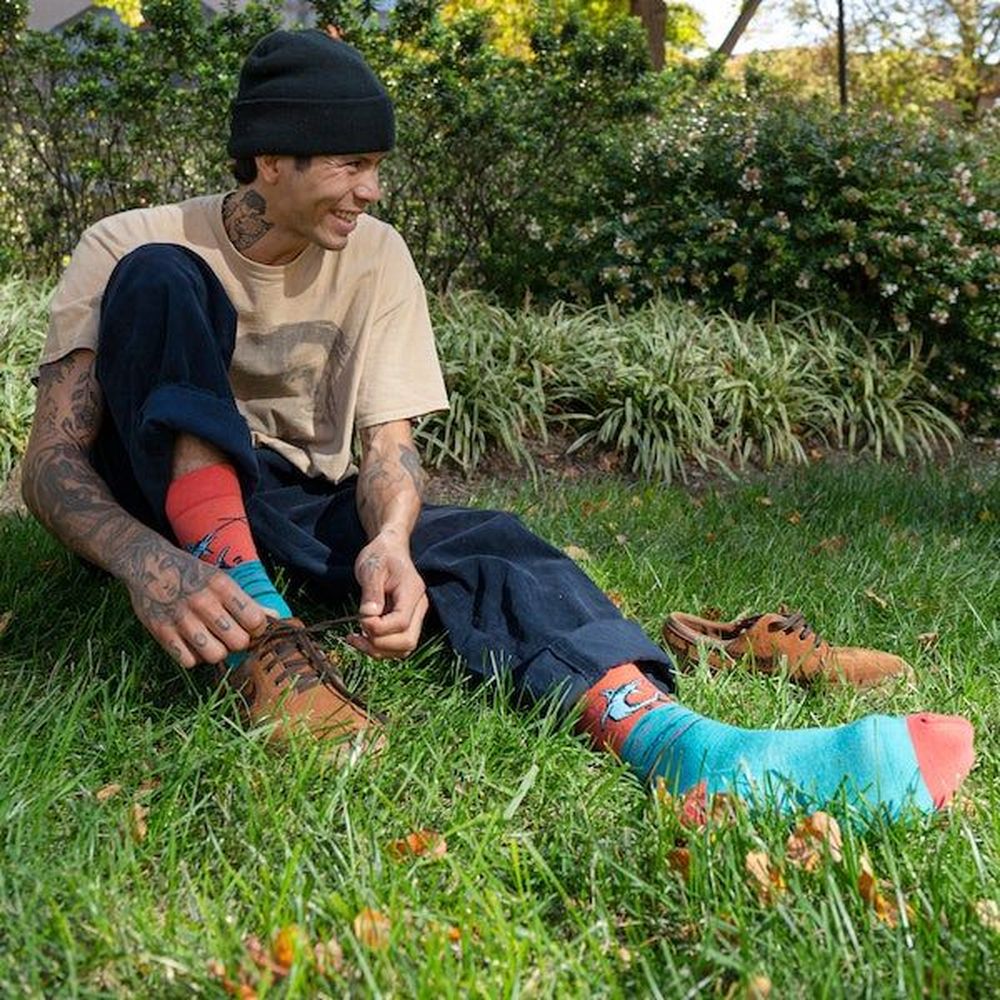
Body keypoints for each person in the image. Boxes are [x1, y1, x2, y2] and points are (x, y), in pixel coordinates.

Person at [22, 28, 975, 821]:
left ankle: (689, 750)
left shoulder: (378, 256)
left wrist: (391, 542)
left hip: (293, 500)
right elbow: (53, 464)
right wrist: (144, 563)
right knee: (162, 278)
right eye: (351, 164)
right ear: (271, 161)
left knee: (491, 543)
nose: (370, 190)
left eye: (377, 167)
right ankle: (259, 638)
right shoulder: (129, 240)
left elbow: (388, 448)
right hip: (159, 502)